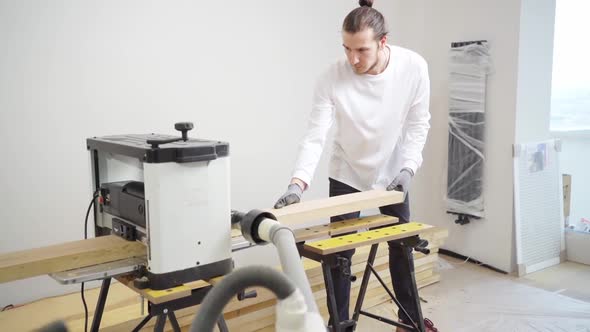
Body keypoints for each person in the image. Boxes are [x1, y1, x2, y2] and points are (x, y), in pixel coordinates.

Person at [273, 1, 438, 331]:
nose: (353, 59)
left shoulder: (413, 67)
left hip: (394, 173)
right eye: (347, 49)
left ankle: (408, 320)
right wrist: (297, 183)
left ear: (383, 42)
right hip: (347, 171)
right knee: (339, 255)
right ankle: (340, 324)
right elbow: (315, 134)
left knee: (400, 248)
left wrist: (408, 169)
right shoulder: (331, 76)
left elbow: (419, 124)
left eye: (361, 49)